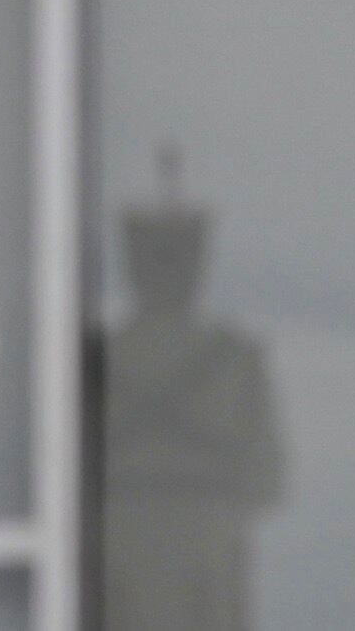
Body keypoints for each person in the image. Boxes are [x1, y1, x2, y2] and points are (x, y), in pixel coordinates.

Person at [99, 146, 286, 631]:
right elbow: (268, 479)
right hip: (204, 546)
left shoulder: (99, 358)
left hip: (124, 542)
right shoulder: (237, 360)